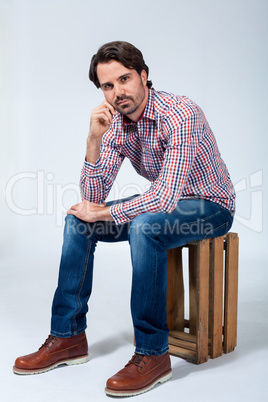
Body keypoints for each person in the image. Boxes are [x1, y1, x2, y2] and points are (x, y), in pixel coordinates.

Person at [13, 41, 236, 397]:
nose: (118, 92)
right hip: (166, 205)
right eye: (108, 86)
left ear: (144, 76)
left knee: (146, 226)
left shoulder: (180, 113)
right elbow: (93, 200)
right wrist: (93, 140)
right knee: (78, 222)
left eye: (125, 79)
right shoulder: (116, 122)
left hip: (210, 207)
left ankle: (152, 354)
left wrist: (102, 211)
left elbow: (163, 199)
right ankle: (68, 336)